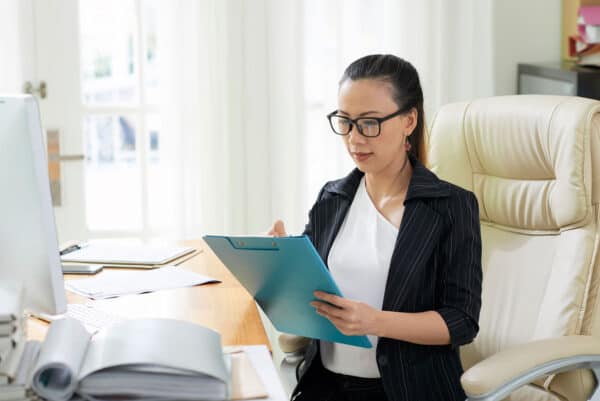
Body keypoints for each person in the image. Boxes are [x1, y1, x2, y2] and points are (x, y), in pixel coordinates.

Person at [269, 54, 482, 401]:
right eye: (345, 121)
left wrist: (374, 322)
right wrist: (279, 263)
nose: (354, 138)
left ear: (409, 120)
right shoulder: (332, 197)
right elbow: (307, 298)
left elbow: (461, 321)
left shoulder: (450, 207)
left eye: (369, 123)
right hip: (324, 387)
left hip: (406, 391)